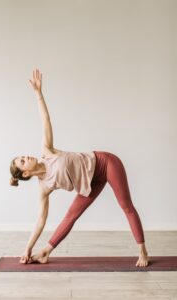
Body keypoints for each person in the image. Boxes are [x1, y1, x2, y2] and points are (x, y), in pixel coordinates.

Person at [10, 69, 149, 268]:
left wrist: (38, 94)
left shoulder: (46, 151)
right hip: (90, 183)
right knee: (71, 215)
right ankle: (45, 252)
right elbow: (40, 220)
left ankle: (142, 250)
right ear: (25, 174)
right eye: (22, 161)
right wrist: (27, 248)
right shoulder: (44, 187)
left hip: (105, 163)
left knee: (126, 205)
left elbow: (45, 120)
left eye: (22, 156)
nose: (26, 157)